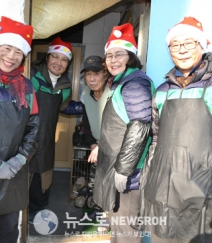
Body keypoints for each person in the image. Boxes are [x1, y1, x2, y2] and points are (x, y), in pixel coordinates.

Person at [139, 16, 212, 243]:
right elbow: (155, 142)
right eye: (175, 45)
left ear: (201, 45)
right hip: (161, 193)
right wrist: (146, 186)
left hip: (200, 195)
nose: (182, 50)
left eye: (189, 43)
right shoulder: (162, 90)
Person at [93, 23, 155, 243]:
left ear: (130, 57)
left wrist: (124, 170)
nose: (113, 60)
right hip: (119, 169)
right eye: (109, 55)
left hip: (130, 175)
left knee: (126, 232)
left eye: (119, 54)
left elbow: (140, 126)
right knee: (118, 230)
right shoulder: (122, 83)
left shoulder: (135, 83)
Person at [0, 16, 39, 243]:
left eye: (18, 52)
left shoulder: (27, 86)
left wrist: (20, 159)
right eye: (7, 49)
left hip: (14, 173)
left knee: (9, 231)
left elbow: (34, 126)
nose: (11, 57)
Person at [29, 36, 82, 221]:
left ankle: (37, 208)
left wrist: (87, 107)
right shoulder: (30, 75)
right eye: (56, 57)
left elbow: (63, 107)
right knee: (23, 173)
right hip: (24, 136)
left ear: (68, 64)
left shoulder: (65, 87)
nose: (59, 62)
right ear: (47, 57)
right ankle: (21, 210)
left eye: (64, 59)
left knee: (42, 173)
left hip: (46, 137)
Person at [80, 55, 110, 164]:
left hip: (114, 145)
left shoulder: (113, 93)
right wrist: (92, 143)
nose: (91, 79)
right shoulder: (85, 93)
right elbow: (86, 120)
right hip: (96, 146)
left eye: (96, 74)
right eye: (88, 74)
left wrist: (100, 146)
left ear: (105, 74)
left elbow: (117, 126)